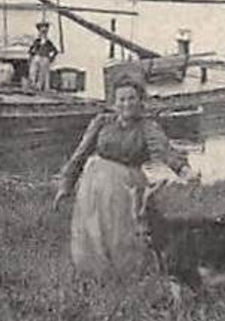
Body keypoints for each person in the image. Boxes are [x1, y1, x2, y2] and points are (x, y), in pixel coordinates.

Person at [54, 74, 192, 278]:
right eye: (121, 99)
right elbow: (80, 154)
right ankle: (97, 274)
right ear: (114, 103)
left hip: (128, 186)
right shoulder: (101, 123)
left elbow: (163, 150)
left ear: (140, 101)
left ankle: (131, 274)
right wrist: (66, 185)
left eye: (131, 99)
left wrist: (183, 170)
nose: (126, 104)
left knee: (127, 233)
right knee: (95, 231)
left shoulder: (147, 127)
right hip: (95, 187)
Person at [29, 20, 60, 91]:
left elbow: (55, 51)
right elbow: (31, 50)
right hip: (37, 57)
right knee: (33, 70)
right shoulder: (37, 41)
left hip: (45, 58)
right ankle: (33, 83)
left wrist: (51, 58)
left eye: (44, 32)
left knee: (42, 72)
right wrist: (32, 55)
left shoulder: (48, 43)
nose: (42, 33)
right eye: (41, 31)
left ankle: (39, 86)